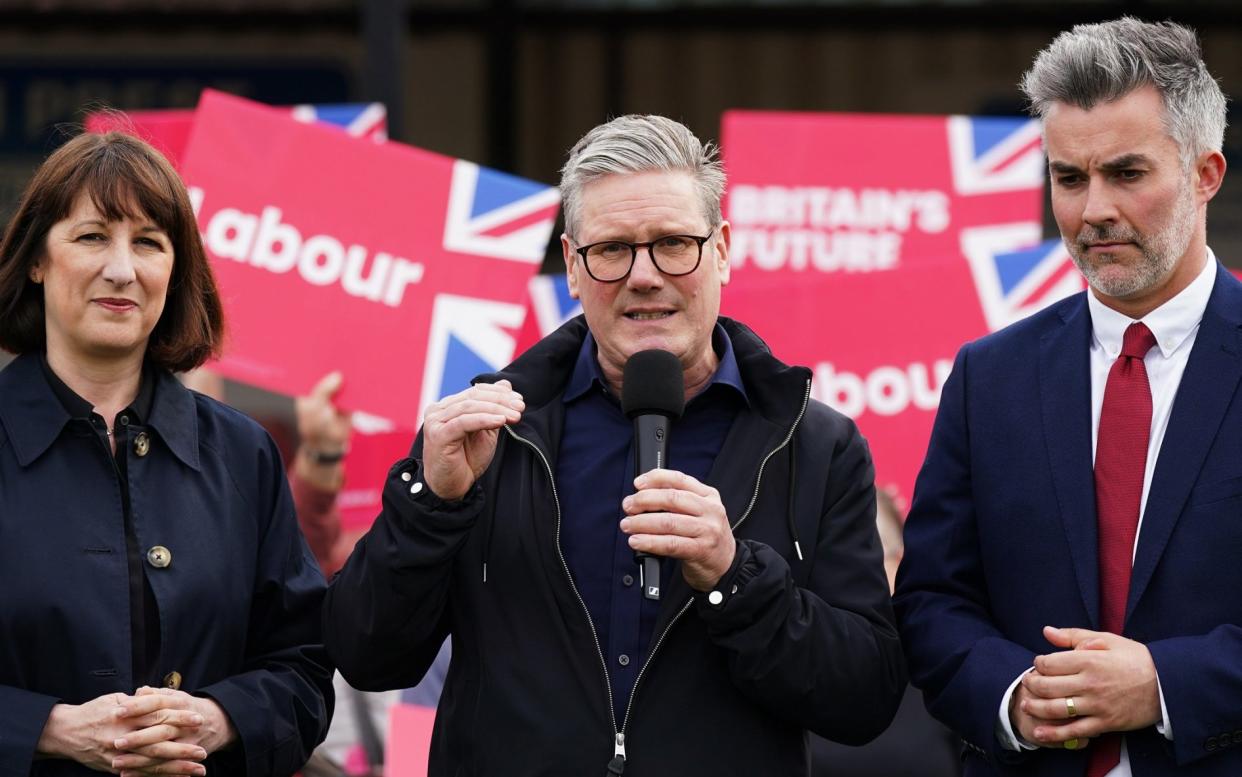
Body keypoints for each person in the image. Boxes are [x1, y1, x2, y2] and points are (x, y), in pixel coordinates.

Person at [324, 114, 905, 774]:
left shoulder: (815, 444)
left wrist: (734, 575)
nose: (645, 275)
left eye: (673, 243)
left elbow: (866, 694)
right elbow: (365, 653)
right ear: (572, 265)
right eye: (612, 250)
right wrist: (430, 505)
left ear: (721, 249)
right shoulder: (489, 430)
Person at [895, 17, 1240, 777]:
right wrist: (1015, 696)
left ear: (1206, 173)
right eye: (1069, 178)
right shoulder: (990, 377)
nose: (1092, 213)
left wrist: (1162, 684)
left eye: (1126, 173)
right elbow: (930, 600)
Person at [0, 130, 333, 776]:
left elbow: (306, 667)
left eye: (148, 242)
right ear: (38, 259)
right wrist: (49, 729)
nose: (121, 269)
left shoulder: (244, 454)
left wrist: (218, 718)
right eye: (92, 236)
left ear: (175, 270)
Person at [811, 490, 960, 777]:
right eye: (829, 562)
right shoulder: (781, 669)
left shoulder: (946, 666)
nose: (847, 579)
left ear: (901, 563)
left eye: (868, 559)